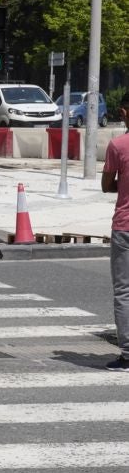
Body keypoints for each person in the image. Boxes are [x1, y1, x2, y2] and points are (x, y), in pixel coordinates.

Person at [100, 91, 129, 372]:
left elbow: (106, 185)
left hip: (125, 227)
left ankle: (128, 353)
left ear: (123, 112)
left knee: (124, 291)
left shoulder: (118, 146)